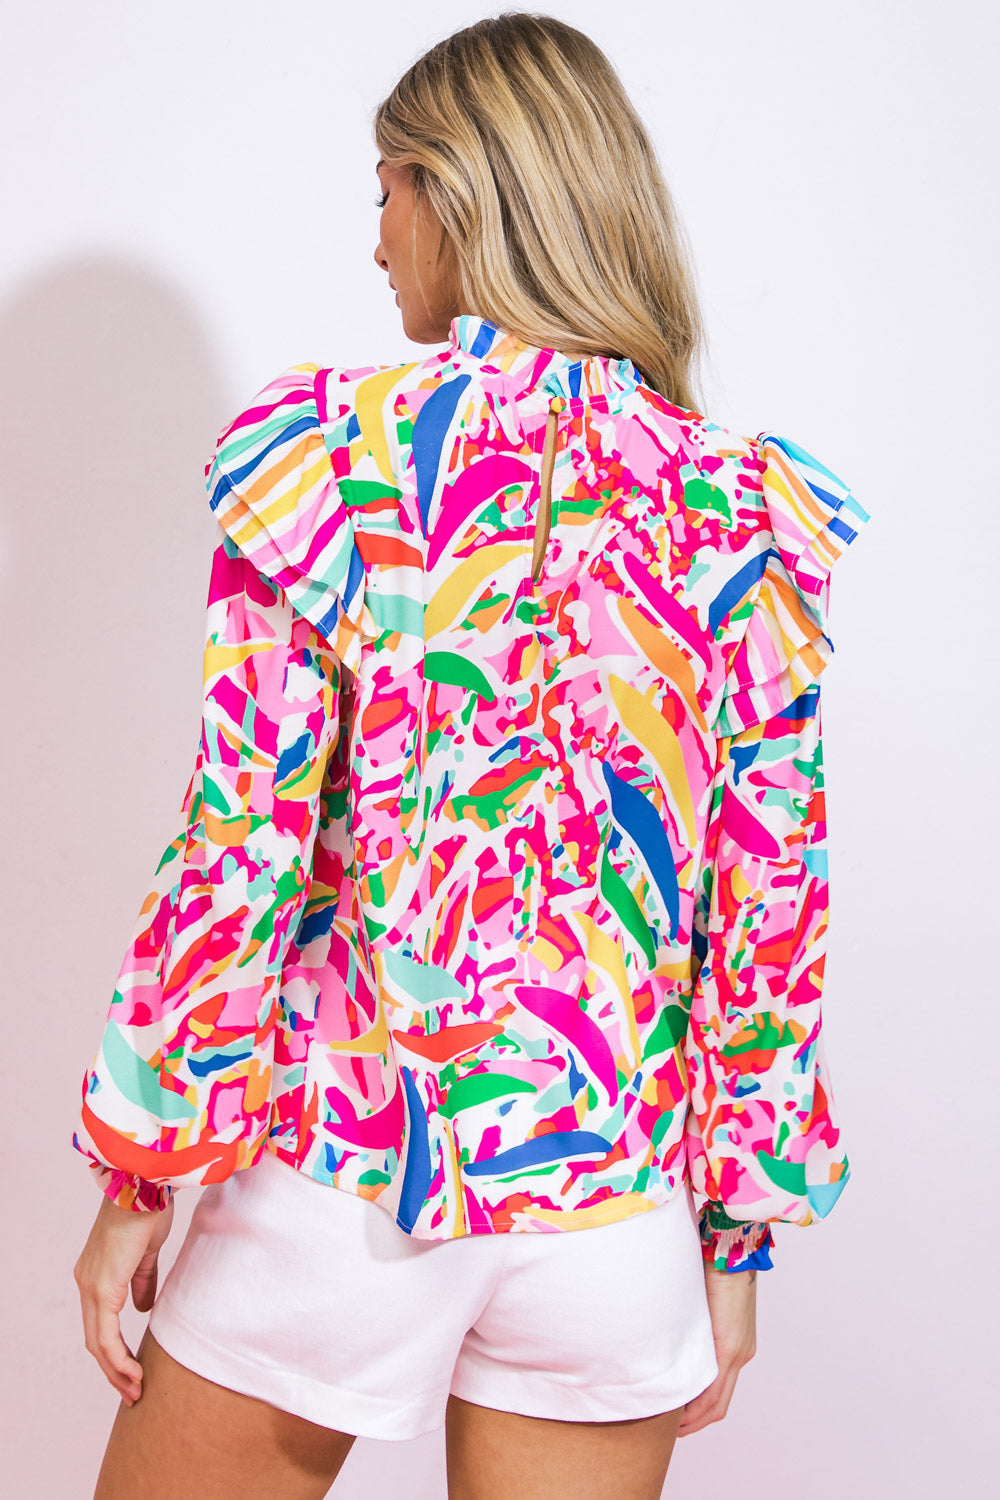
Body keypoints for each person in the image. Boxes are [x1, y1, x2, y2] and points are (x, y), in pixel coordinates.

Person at [72, 14, 868, 1499]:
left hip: (349, 1167)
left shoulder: (336, 457)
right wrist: (733, 1237)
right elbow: (772, 901)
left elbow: (237, 843)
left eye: (384, 190)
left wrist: (142, 1172)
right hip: (615, 1210)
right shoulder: (746, 508)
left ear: (456, 193)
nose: (374, 238)